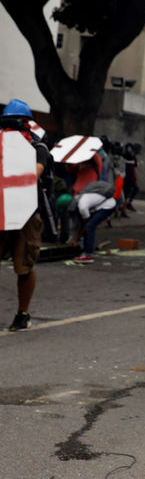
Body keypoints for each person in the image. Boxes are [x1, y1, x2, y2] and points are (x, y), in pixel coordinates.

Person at [0, 99, 50, 330]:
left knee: (24, 265)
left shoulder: (38, 147)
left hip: (26, 212)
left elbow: (35, 172)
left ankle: (23, 313)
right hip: (2, 209)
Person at [69, 180, 121, 264]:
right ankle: (86, 251)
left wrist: (76, 239)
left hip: (108, 206)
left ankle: (88, 255)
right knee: (88, 226)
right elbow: (82, 224)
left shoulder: (82, 206)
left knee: (90, 226)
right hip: (99, 206)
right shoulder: (78, 199)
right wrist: (75, 239)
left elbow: (85, 224)